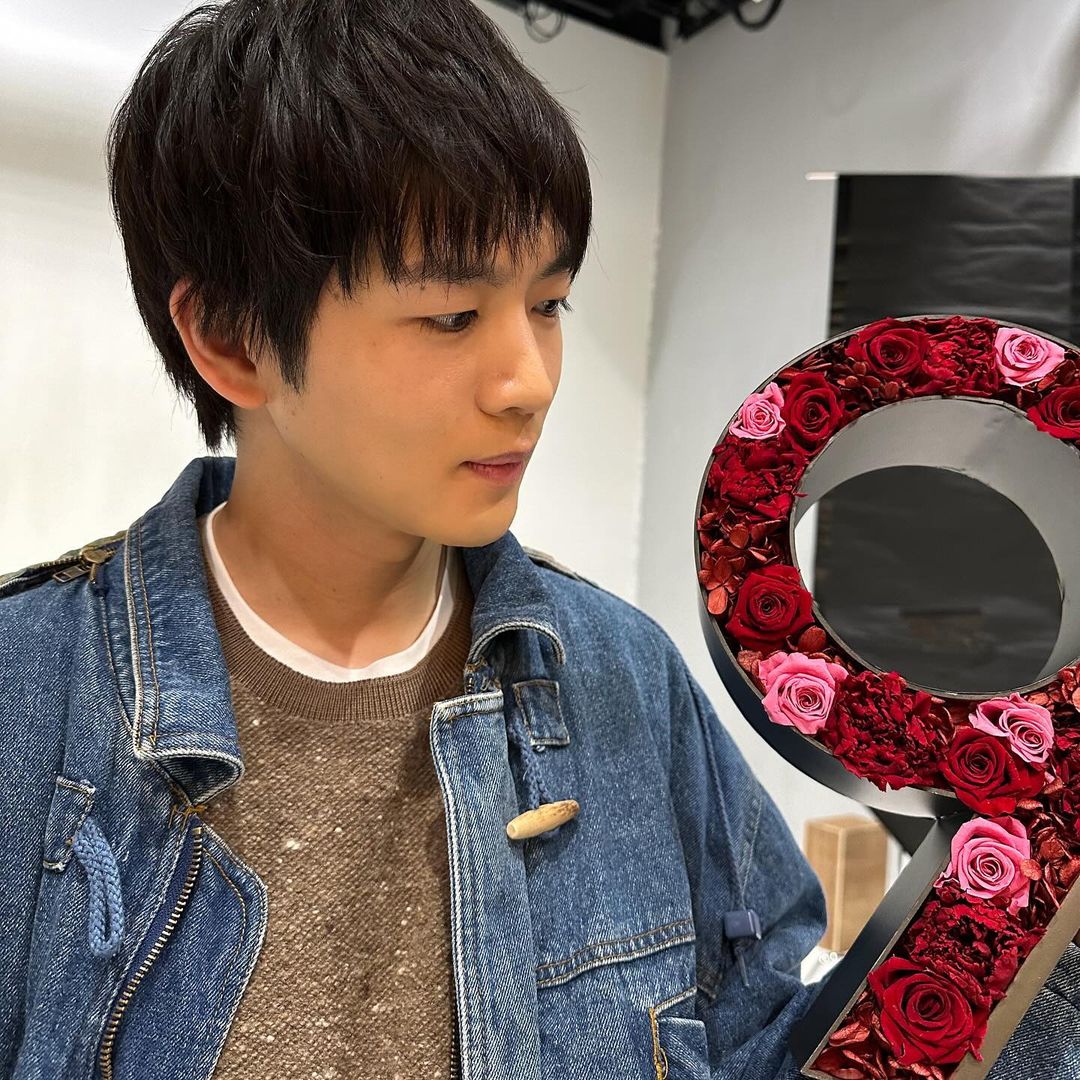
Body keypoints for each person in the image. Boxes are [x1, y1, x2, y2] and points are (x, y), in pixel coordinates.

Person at [0, 2, 1077, 1078]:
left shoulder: (624, 677)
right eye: (452, 316)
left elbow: (762, 1043)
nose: (530, 382)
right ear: (232, 339)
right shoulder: (31, 692)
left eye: (551, 302)